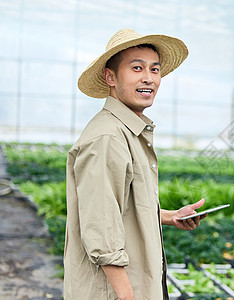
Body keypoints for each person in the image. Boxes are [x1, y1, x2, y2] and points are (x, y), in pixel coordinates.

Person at [64, 28, 207, 300]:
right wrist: (128, 296)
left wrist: (168, 216)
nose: (148, 78)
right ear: (111, 77)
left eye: (155, 70)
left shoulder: (128, 132)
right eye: (137, 68)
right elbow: (101, 231)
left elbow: (120, 208)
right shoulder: (107, 138)